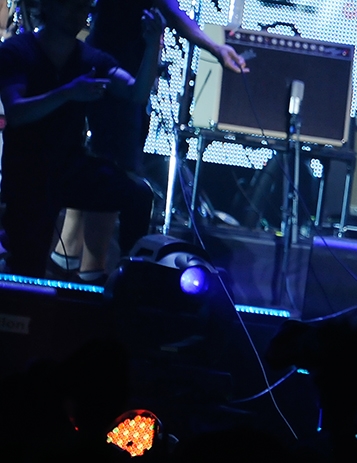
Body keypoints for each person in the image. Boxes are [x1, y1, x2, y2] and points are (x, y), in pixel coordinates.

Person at [50, 0, 249, 282]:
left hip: (115, 66)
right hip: (117, 72)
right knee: (111, 172)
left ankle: (65, 265)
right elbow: (172, 11)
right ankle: (90, 275)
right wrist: (216, 48)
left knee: (96, 170)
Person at [0, 0, 161, 277]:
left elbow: (135, 93)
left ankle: (132, 278)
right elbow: (16, 112)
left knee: (138, 194)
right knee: (27, 270)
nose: (79, 14)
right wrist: (68, 92)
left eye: (84, 7)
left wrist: (152, 45)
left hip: (68, 167)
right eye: (71, 5)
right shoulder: (17, 51)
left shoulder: (90, 58)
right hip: (27, 174)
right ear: (49, 6)